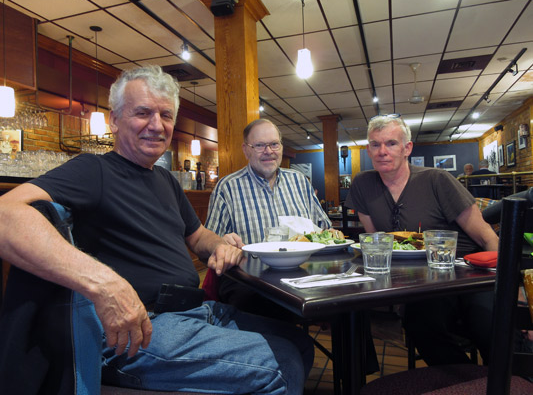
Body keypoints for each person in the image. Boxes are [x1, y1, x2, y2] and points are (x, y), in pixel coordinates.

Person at [0, 66, 314, 394]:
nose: (156, 124)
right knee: (281, 364)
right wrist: (104, 284)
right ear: (114, 120)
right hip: (142, 326)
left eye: (166, 115)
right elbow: (5, 214)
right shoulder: (93, 170)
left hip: (196, 311)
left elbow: (198, 235)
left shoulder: (165, 179)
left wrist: (219, 244)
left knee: (300, 343)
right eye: (142, 113)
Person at [345, 114, 499, 366]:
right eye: (375, 144)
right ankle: (468, 380)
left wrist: (511, 290)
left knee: (489, 324)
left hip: (467, 273)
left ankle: (512, 380)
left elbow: (486, 237)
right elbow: (375, 243)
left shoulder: (437, 179)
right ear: (368, 150)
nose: (382, 151)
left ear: (407, 148)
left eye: (391, 143)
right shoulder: (363, 184)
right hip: (422, 284)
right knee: (420, 324)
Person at [204, 118, 331, 314]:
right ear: (246, 150)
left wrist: (327, 234)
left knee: (345, 303)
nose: (269, 151)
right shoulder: (227, 188)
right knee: (267, 310)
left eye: (274, 144)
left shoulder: (299, 181)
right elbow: (209, 245)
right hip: (250, 281)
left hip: (302, 275)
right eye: (260, 145)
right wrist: (222, 243)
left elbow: (324, 229)